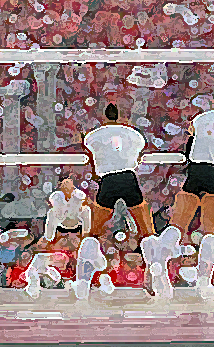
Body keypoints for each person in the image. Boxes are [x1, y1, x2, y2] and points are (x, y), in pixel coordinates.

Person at [148, 92, 214, 301]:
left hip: (195, 170)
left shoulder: (201, 117)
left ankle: (159, 258)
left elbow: (191, 132)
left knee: (178, 224)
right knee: (211, 230)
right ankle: (204, 282)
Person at [71, 102, 156, 301]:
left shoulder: (94, 135)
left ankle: (82, 282)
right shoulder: (133, 134)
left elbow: (91, 155)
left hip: (107, 181)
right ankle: (154, 277)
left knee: (92, 232)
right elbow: (138, 155)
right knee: (147, 231)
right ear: (121, 116)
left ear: (103, 116)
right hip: (128, 178)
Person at [45, 178, 91, 242]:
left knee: (86, 210)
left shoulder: (78, 195)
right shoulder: (56, 196)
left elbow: (84, 203)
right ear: (61, 188)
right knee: (51, 212)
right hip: (62, 221)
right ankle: (48, 237)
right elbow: (53, 207)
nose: (66, 190)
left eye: (68, 187)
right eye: (64, 187)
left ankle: (86, 234)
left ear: (72, 188)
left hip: (75, 221)